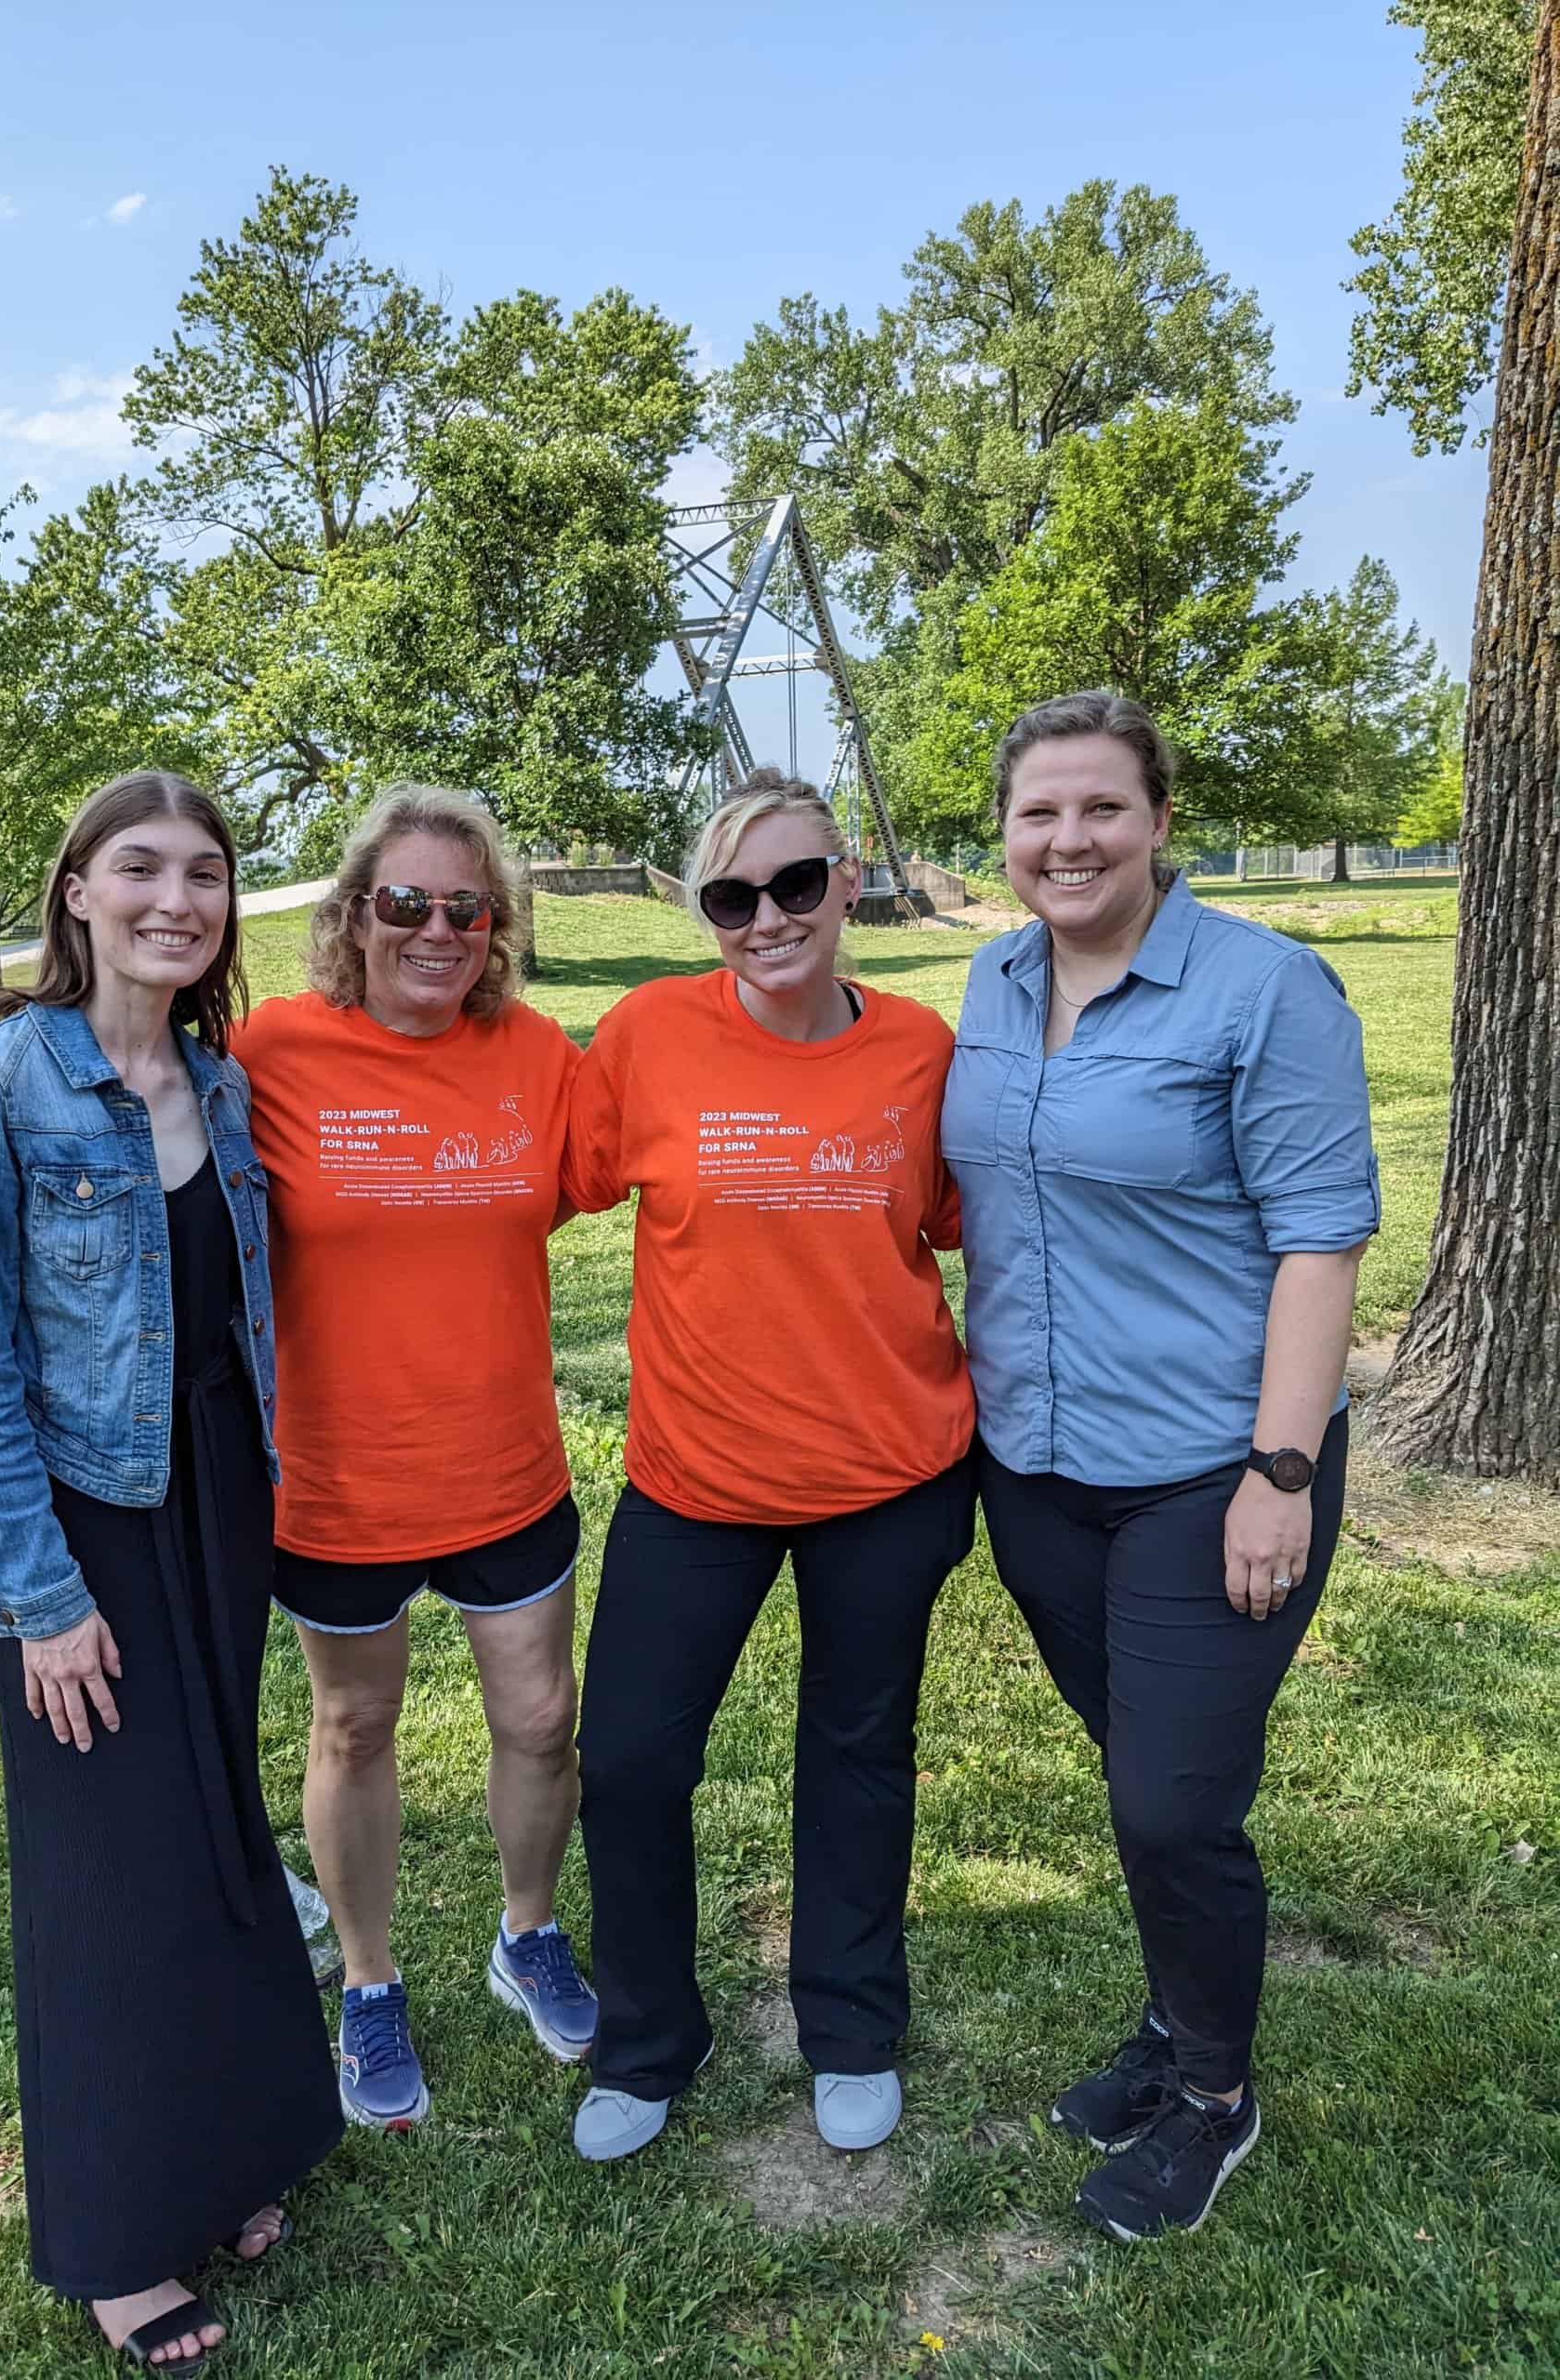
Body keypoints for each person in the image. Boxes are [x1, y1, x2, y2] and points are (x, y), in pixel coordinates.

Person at [0, 773, 342, 2373]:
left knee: (221, 1828)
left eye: (208, 874)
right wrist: (38, 1596)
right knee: (108, 1876)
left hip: (221, 1500)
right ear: (75, 888)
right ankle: (116, 2239)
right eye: (141, 868)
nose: (180, 898)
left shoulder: (223, 1088)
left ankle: (227, 2153)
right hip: (88, 1520)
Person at [943, 692, 1380, 2242]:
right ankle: (1177, 2015)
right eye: (1039, 814)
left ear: (1157, 822)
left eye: (1100, 809)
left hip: (1214, 1465)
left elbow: (1320, 1240)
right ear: (1004, 833)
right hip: (1041, 1465)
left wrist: (1283, 1467)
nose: (1067, 840)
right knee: (1145, 1777)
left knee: (1175, 1802)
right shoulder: (992, 984)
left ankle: (1213, 2095)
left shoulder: (1265, 990)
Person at [564, 768, 978, 2163]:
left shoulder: (921, 1049)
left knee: (858, 1756)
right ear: (704, 912)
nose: (767, 919)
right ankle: (644, 2045)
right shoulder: (643, 1037)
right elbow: (530, 1173)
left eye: (796, 884)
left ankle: (851, 2028)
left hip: (891, 1473)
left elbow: (965, 1220)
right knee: (625, 1760)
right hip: (697, 1482)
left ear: (847, 882)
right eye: (733, 898)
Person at [232, 783, 595, 2133]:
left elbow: (638, 1167)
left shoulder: (540, 1056)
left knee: (541, 1722)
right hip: (338, 1481)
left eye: (465, 907)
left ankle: (527, 1933)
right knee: (354, 1725)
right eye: (405, 903)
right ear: (352, 913)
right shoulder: (273, 1047)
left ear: (492, 925)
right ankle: (371, 1985)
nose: (436, 929)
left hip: (506, 1466)